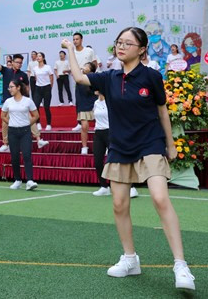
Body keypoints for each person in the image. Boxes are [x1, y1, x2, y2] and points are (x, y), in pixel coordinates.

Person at [63, 29, 195, 291]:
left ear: (142, 49)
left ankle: (181, 265)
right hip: (120, 146)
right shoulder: (109, 77)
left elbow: (162, 110)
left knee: (159, 198)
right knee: (119, 204)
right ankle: (130, 259)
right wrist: (69, 48)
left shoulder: (152, 76)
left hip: (150, 143)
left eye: (128, 43)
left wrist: (170, 144)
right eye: (119, 42)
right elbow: (78, 76)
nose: (121, 46)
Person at [0, 48, 45, 152]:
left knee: (29, 119)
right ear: (12, 62)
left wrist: (26, 99)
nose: (19, 64)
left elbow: (27, 88)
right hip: (8, 101)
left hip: (20, 102)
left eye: (21, 63)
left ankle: (39, 139)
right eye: (17, 62)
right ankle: (5, 144)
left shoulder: (23, 75)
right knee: (4, 123)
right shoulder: (6, 70)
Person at [1, 80, 39, 191]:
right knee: (15, 156)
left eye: (11, 87)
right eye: (9, 87)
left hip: (25, 131)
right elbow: (2, 116)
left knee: (27, 155)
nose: (10, 89)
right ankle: (17, 180)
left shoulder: (28, 101)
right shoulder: (8, 101)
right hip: (12, 131)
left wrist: (27, 124)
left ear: (18, 87)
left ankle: (30, 180)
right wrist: (11, 123)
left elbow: (36, 115)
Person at [70, 33, 97, 131]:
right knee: (79, 101)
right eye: (73, 39)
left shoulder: (89, 51)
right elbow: (72, 67)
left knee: (94, 100)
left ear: (81, 40)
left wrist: (93, 75)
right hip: (79, 79)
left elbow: (95, 64)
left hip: (90, 79)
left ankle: (97, 122)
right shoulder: (72, 53)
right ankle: (80, 123)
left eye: (77, 39)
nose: (75, 41)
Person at [74, 61, 98, 155]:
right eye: (84, 65)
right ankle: (84, 147)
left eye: (87, 66)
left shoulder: (94, 78)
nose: (84, 67)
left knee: (101, 126)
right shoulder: (79, 77)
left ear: (91, 69)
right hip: (83, 103)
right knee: (84, 126)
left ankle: (106, 145)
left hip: (94, 103)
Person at [92, 90, 111, 196]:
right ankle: (104, 186)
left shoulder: (110, 101)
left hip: (110, 132)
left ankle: (131, 187)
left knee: (116, 161)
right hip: (98, 132)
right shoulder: (96, 103)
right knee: (97, 161)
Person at [30, 51, 54, 130]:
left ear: (43, 58)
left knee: (46, 107)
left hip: (46, 88)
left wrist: (50, 87)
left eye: (40, 56)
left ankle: (48, 124)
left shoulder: (47, 67)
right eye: (37, 56)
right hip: (38, 88)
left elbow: (51, 77)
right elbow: (36, 78)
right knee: (36, 106)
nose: (38, 57)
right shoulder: (35, 68)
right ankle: (38, 123)